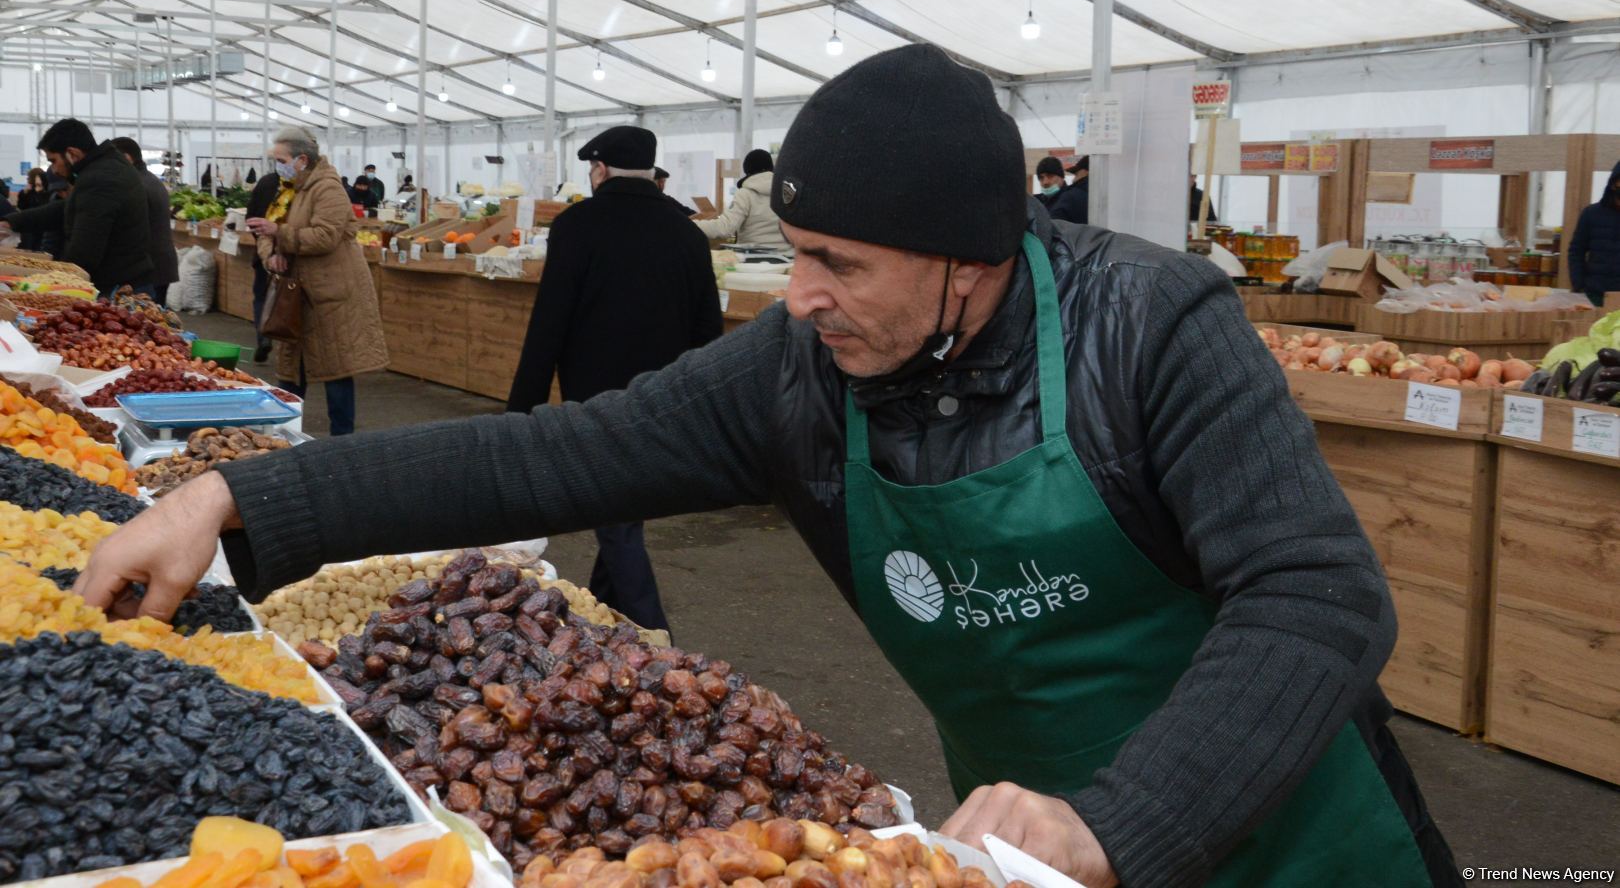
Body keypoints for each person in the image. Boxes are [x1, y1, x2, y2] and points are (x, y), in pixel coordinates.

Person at [77, 46, 1460, 888]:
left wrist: (1127, 826)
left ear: (971, 262)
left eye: (837, 264)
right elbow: (571, 448)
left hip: (1279, 826)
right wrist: (241, 498)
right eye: (793, 253)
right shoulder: (803, 369)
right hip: (1018, 837)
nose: (796, 293)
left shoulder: (1153, 326)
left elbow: (1314, 596)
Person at [504, 125, 721, 633]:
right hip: (664, 396)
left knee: (617, 517)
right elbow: (708, 328)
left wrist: (522, 411)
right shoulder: (687, 232)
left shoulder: (577, 224)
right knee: (621, 506)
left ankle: (653, 630)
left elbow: (549, 321)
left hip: (596, 397)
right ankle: (601, 614)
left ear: (599, 170)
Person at [243, 125, 388, 437]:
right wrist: (272, 255)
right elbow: (265, 231)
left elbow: (325, 236)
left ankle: (342, 443)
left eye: (281, 158)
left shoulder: (327, 188)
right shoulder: (286, 188)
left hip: (330, 296)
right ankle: (284, 437)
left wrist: (280, 234)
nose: (277, 164)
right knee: (292, 373)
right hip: (295, 294)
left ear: (302, 160)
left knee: (336, 371)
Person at [2, 119, 154, 296]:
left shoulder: (100, 179)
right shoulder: (107, 167)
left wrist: (55, 286)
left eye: (53, 161)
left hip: (116, 288)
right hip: (125, 280)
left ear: (71, 153)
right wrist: (11, 222)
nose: (53, 170)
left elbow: (84, 251)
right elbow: (67, 209)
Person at [109, 138, 181, 306]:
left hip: (149, 268)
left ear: (127, 158)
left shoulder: (138, 185)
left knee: (146, 319)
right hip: (158, 265)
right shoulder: (148, 180)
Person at [697, 148, 788, 250]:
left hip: (754, 258)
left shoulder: (745, 194)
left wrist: (690, 224)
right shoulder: (786, 193)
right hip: (787, 258)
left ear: (747, 170)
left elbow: (725, 228)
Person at [244, 169, 288, 363]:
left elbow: (250, 215)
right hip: (289, 254)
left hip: (264, 253)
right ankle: (285, 344)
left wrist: (262, 243)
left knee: (262, 297)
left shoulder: (265, 182)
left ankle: (263, 337)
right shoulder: (298, 186)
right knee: (287, 300)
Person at [1567, 160, 1620, 307]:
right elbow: (1576, 251)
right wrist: (1579, 285)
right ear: (1613, 183)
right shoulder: (1591, 214)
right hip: (1594, 296)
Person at [1034, 157, 1087, 224]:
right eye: (1041, 178)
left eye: (1050, 176)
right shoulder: (1036, 202)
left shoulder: (1071, 200)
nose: (1045, 182)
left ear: (1061, 177)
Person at [15, 169, 48, 252]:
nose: (27, 179)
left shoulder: (43, 193)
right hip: (29, 224)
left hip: (37, 226)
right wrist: (24, 193)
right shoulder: (28, 191)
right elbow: (21, 206)